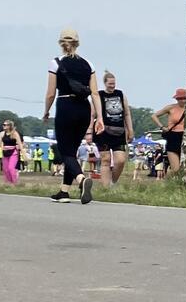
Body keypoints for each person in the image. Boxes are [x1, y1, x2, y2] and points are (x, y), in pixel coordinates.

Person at [42, 28, 102, 204]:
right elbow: (95, 93)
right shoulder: (88, 64)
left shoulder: (55, 63)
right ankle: (64, 191)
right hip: (85, 108)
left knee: (65, 151)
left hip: (66, 106)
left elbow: (50, 94)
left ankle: (82, 180)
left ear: (61, 43)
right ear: (77, 43)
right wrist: (100, 118)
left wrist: (46, 111)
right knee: (72, 151)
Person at [95, 71, 132, 184]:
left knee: (120, 161)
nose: (112, 86)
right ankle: (105, 187)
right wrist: (89, 130)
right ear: (105, 83)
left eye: (114, 84)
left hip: (119, 131)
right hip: (103, 131)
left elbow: (126, 113)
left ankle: (113, 181)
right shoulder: (99, 95)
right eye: (110, 84)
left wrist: (130, 129)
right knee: (105, 160)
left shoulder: (120, 94)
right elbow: (92, 114)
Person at [153, 88, 186, 179]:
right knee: (176, 169)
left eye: (184, 98)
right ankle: (171, 182)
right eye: (180, 98)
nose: (182, 100)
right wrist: (162, 127)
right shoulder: (171, 107)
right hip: (173, 137)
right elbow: (154, 116)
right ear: (176, 99)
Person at [0, 119, 24, 184]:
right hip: (5, 152)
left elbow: (21, 144)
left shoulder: (15, 134)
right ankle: (8, 183)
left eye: (5, 125)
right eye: (3, 125)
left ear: (9, 126)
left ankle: (14, 182)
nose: (3, 126)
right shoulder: (2, 134)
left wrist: (24, 155)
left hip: (13, 152)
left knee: (11, 168)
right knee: (5, 169)